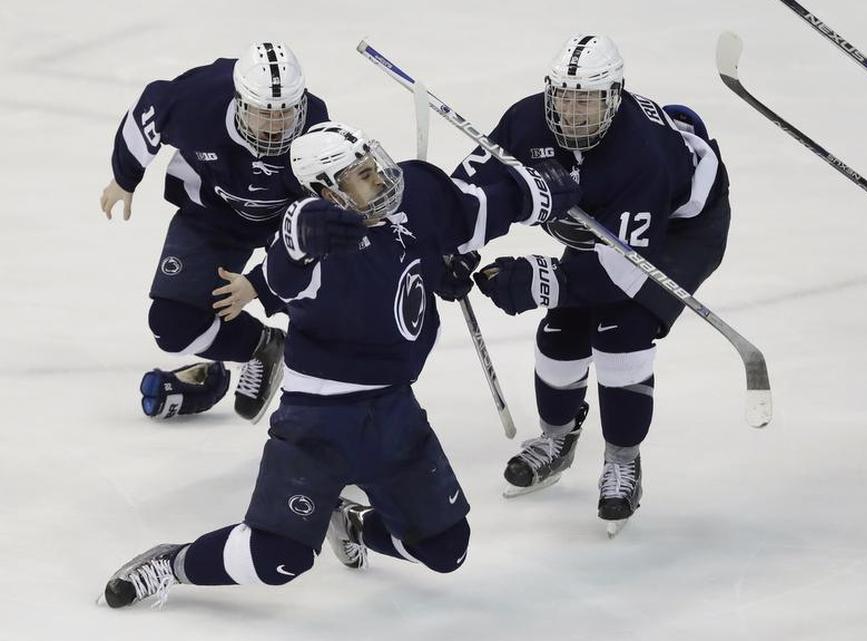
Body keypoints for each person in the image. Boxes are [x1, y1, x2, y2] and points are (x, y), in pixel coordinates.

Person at [100, 121, 580, 608]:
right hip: (318, 421)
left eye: (374, 166)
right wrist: (299, 236)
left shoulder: (413, 197)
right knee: (278, 559)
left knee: (446, 550)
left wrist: (536, 196)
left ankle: (350, 520)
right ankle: (172, 563)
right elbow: (289, 259)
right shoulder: (315, 240)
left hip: (395, 408)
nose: (381, 180)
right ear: (328, 192)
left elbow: (477, 208)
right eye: (362, 176)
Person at [457, 34, 731, 535]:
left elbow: (623, 273)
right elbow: (468, 190)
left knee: (620, 331)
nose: (573, 109)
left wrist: (545, 281)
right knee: (560, 333)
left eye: (587, 98)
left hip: (682, 231)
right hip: (606, 224)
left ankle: (624, 459)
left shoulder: (641, 153)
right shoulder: (526, 120)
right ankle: (558, 439)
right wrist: (453, 244)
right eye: (564, 95)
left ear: (615, 96)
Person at [100, 42, 330, 423]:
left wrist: (259, 284)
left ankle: (338, 423)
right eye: (263, 113)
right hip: (212, 217)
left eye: (285, 113)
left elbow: (321, 222)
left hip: (286, 227)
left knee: (339, 326)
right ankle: (260, 346)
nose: (275, 126)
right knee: (172, 325)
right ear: (240, 101)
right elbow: (150, 106)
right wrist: (125, 176)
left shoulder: (317, 130)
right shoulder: (199, 102)